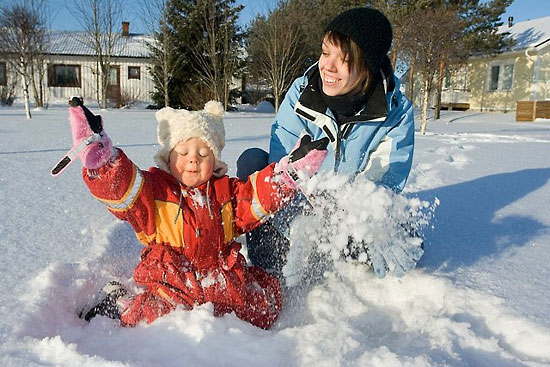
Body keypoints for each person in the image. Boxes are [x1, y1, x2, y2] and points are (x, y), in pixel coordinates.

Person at [65, 97, 328, 329]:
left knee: (261, 310)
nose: (194, 159)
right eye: (183, 152)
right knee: (152, 314)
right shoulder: (154, 193)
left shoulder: (226, 193)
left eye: (204, 153)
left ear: (215, 161)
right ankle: (120, 302)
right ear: (167, 158)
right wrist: (101, 159)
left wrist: (290, 174)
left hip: (219, 276)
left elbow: (256, 197)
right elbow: (122, 189)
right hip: (172, 278)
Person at [237, 7, 416, 279]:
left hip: (347, 217)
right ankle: (268, 275)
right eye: (325, 52)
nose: (328, 66)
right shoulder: (301, 93)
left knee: (407, 239)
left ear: (368, 65)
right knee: (252, 162)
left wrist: (376, 224)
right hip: (296, 210)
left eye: (343, 59)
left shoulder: (395, 112)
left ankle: (344, 255)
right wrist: (299, 227)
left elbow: (383, 180)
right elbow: (281, 168)